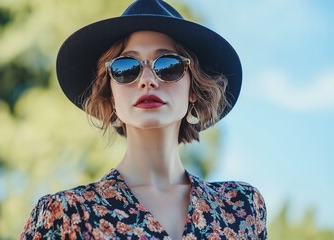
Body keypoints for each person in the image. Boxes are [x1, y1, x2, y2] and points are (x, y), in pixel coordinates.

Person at [20, 0, 267, 239]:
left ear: (193, 88)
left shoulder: (241, 208)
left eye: (168, 65)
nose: (147, 80)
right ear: (112, 95)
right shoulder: (64, 216)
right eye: (126, 68)